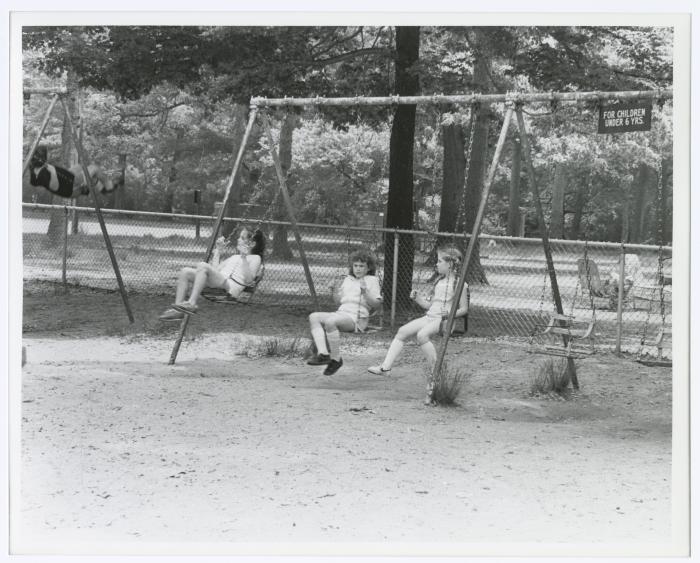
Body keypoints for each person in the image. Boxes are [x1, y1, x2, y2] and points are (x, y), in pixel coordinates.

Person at [367, 246, 469, 404]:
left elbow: (464, 309)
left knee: (422, 335)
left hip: (444, 321)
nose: (436, 264)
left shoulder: (460, 284)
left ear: (450, 264)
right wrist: (418, 298)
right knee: (402, 332)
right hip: (430, 316)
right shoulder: (438, 281)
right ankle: (385, 368)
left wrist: (449, 314)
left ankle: (436, 372)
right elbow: (429, 306)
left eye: (440, 261)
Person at [159, 226, 265, 321]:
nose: (238, 239)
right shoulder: (234, 257)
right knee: (185, 272)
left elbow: (249, 279)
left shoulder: (255, 258)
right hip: (221, 282)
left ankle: (192, 303)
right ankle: (178, 309)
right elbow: (215, 270)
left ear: (252, 244)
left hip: (230, 288)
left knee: (202, 265)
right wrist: (218, 251)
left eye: (242, 238)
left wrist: (244, 257)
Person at [307, 249, 383, 376]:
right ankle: (324, 354)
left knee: (331, 322)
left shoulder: (371, 280)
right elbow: (339, 302)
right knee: (313, 317)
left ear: (368, 268)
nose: (358, 269)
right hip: (342, 313)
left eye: (361, 266)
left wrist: (365, 292)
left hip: (357, 318)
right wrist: (334, 291)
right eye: (355, 266)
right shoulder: (348, 279)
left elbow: (376, 304)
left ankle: (335, 359)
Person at [28, 145, 115, 198]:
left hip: (67, 180)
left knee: (79, 167)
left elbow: (34, 182)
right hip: (71, 187)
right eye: (48, 153)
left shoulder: (36, 169)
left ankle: (98, 186)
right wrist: (53, 172)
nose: (49, 154)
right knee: (94, 168)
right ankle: (109, 187)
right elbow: (55, 187)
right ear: (43, 156)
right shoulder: (45, 173)